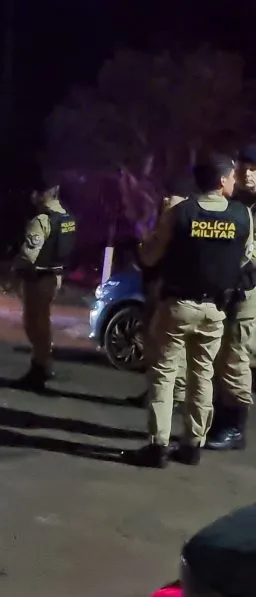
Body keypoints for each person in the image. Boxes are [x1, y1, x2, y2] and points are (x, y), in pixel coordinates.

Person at [133, 154, 254, 468]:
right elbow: (245, 261)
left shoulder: (181, 211)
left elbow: (149, 256)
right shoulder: (243, 216)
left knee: (164, 374)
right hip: (215, 310)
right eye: (230, 176)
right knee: (203, 375)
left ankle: (158, 445)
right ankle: (192, 445)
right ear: (220, 181)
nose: (233, 181)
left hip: (177, 306)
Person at [127, 179, 194, 408]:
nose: (166, 203)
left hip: (167, 293)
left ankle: (175, 396)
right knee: (156, 347)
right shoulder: (165, 226)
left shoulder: (181, 229)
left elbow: (149, 256)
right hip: (156, 290)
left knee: (169, 349)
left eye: (171, 201)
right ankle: (160, 392)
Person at [206, 147, 256, 451]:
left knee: (236, 354)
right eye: (245, 167)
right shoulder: (237, 203)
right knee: (223, 354)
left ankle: (234, 427)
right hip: (229, 288)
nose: (248, 174)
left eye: (255, 168)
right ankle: (221, 417)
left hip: (249, 290)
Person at [10, 181, 77, 391]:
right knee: (43, 322)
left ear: (43, 194)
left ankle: (41, 366)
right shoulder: (67, 217)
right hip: (55, 276)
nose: (32, 196)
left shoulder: (42, 220)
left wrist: (14, 272)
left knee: (33, 323)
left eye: (36, 192)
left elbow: (29, 255)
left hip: (38, 279)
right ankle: (43, 363)